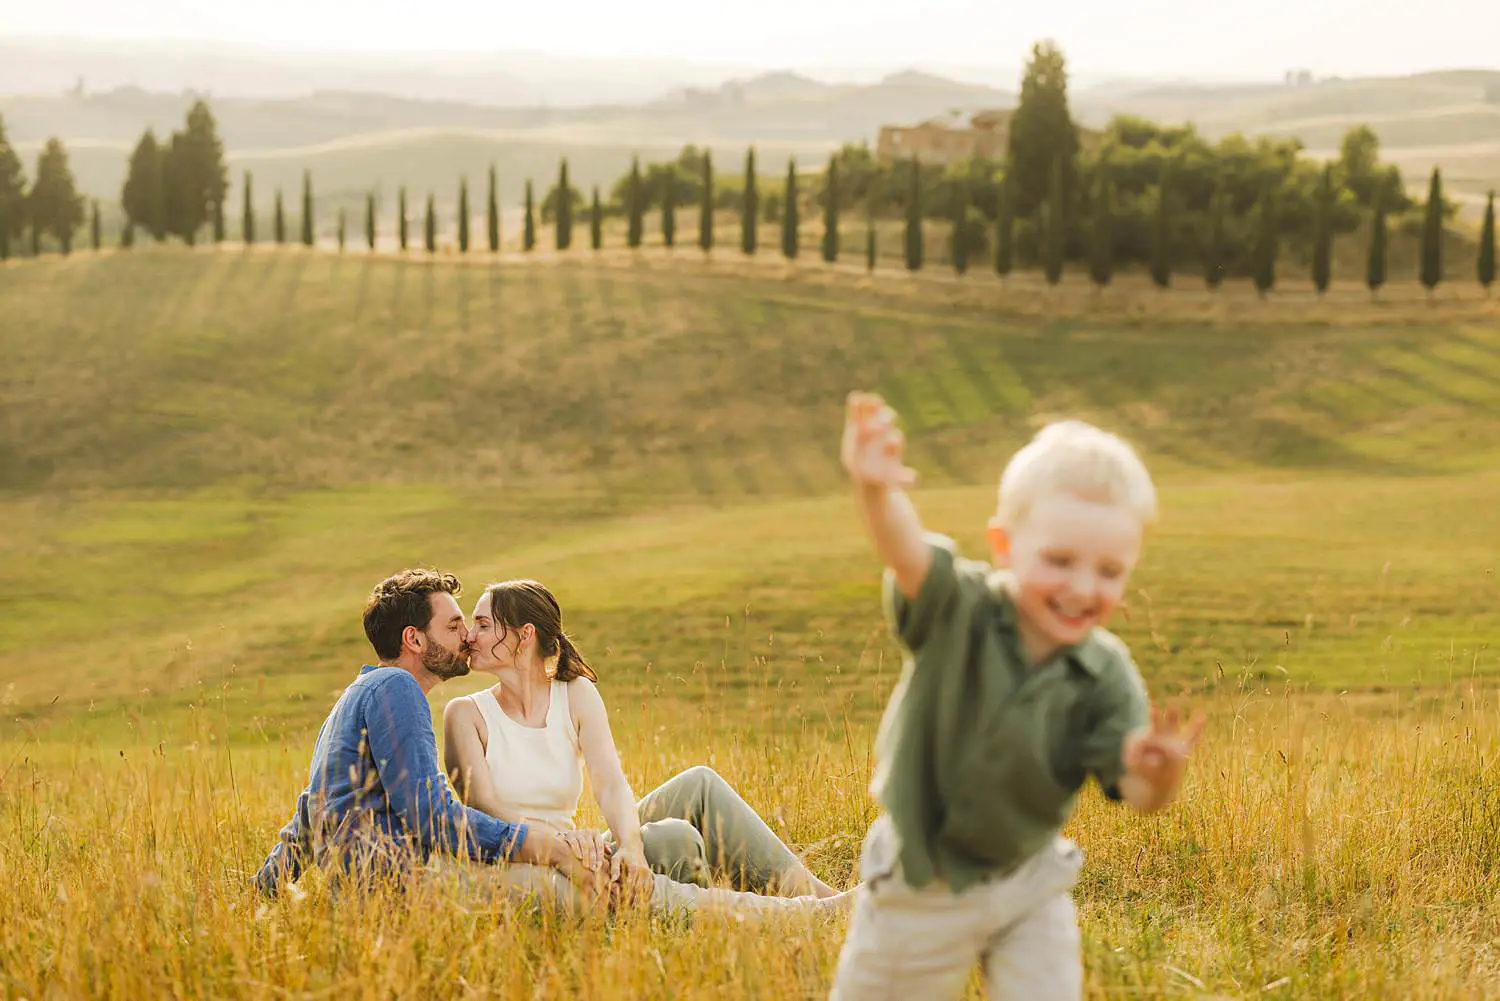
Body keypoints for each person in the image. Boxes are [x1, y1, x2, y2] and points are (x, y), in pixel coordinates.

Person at [827, 393, 1206, 1000]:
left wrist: (1157, 775)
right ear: (1004, 545)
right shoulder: (961, 607)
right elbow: (907, 553)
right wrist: (875, 492)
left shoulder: (1103, 672)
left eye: (1110, 571)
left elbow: (1137, 795)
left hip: (1028, 881)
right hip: (923, 878)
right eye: (1059, 560)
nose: (1083, 588)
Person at [442, 577, 852, 918]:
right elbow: (487, 808)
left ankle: (823, 897)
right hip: (531, 861)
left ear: (522, 635)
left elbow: (610, 784)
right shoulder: (466, 714)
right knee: (674, 841)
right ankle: (808, 916)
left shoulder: (575, 694)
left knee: (699, 786)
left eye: (481, 624)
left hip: (583, 849)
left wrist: (633, 850)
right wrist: (564, 844)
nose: (469, 636)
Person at [252, 569, 608, 905]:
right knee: (590, 887)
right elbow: (433, 816)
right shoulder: (396, 686)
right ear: (415, 639)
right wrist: (547, 847)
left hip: (371, 892)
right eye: (454, 626)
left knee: (596, 865)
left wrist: (259, 894)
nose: (467, 636)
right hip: (402, 887)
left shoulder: (357, 694)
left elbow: (308, 815)